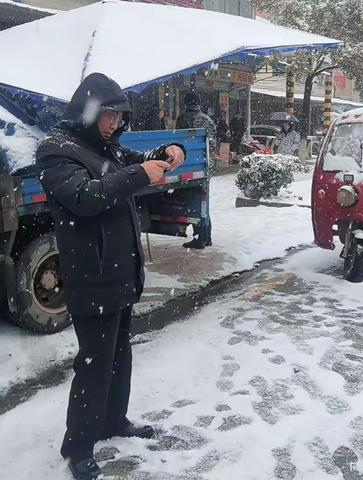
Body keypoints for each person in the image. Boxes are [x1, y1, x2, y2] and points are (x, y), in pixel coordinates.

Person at [35, 73, 185, 480]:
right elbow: (86, 197)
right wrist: (140, 175)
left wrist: (167, 153)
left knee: (120, 355)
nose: (115, 124)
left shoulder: (104, 148)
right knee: (94, 363)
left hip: (119, 272)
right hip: (93, 275)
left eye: (121, 117)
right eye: (109, 115)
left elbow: (133, 167)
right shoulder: (56, 152)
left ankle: (113, 421)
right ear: (89, 110)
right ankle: (78, 445)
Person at [175, 92, 216, 249]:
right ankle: (207, 236)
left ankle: (200, 237)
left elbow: (178, 142)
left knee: (195, 203)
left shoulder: (183, 119)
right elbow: (213, 144)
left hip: (190, 166)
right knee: (204, 201)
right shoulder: (208, 120)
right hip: (207, 165)